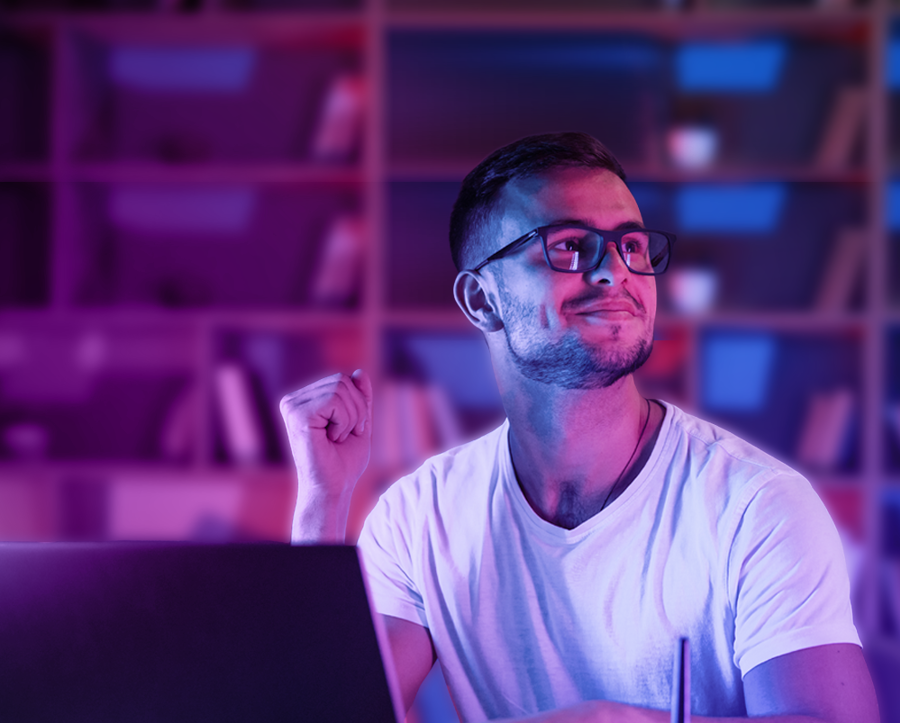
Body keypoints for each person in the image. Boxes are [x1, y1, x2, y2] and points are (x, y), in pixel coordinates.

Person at [279, 132, 878, 723]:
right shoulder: (420, 517)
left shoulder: (756, 504)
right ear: (481, 300)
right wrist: (323, 501)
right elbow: (326, 715)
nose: (614, 272)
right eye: (568, 247)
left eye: (631, 246)